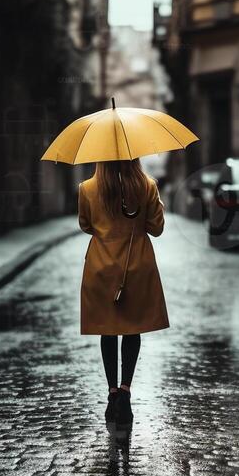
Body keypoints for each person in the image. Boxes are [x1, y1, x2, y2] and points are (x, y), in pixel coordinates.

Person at [78, 159, 169, 426]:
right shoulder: (146, 185)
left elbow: (86, 225)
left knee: (108, 329)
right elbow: (157, 228)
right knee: (132, 328)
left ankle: (112, 392)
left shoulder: (88, 188)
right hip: (136, 264)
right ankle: (126, 390)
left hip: (101, 265)